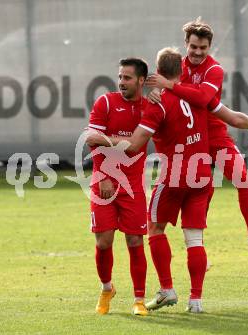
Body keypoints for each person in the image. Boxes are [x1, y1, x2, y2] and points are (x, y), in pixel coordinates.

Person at [87, 47, 248, 313]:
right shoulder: (199, 97)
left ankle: (167, 289)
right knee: (194, 239)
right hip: (201, 177)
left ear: (156, 74)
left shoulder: (157, 105)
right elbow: (233, 118)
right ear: (181, 71)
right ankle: (196, 302)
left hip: (173, 178)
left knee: (154, 230)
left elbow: (134, 146)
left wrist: (104, 139)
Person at [146, 18, 248, 254]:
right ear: (186, 43)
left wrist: (169, 86)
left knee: (242, 178)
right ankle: (196, 247)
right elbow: (158, 86)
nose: (198, 52)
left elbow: (204, 100)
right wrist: (156, 90)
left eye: (203, 48)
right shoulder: (175, 66)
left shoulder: (214, 69)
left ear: (209, 47)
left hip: (214, 134)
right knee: (201, 189)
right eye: (194, 47)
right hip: (188, 138)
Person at [86, 58, 149, 316]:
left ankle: (139, 299)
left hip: (133, 184)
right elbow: (91, 138)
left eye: (127, 78)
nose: (121, 82)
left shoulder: (150, 107)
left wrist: (109, 140)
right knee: (104, 241)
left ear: (141, 81)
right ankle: (106, 288)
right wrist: (103, 174)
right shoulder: (106, 102)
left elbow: (136, 145)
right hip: (104, 180)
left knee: (135, 240)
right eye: (120, 77)